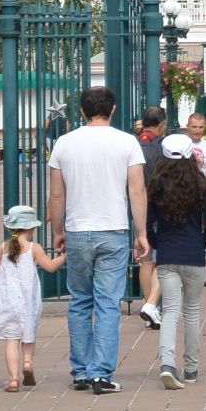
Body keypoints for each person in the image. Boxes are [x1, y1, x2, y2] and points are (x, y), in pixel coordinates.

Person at [47, 86, 148, 395]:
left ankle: (80, 370)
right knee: (107, 303)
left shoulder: (64, 144)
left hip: (78, 229)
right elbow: (136, 190)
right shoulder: (127, 143)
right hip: (113, 229)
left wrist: (58, 230)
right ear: (113, 110)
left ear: (81, 111)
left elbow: (57, 193)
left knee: (79, 300)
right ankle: (101, 373)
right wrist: (141, 232)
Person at [147, 133, 206, 389]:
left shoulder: (156, 184)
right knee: (191, 312)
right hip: (193, 253)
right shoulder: (199, 184)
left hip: (167, 253)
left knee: (169, 311)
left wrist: (158, 243)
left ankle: (167, 363)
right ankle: (191, 367)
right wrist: (203, 244)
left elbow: (148, 225)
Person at [0, 204, 63, 393]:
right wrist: (65, 257)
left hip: (8, 302)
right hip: (27, 301)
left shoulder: (2, 248)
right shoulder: (34, 248)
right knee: (28, 335)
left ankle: (12, 379)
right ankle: (27, 362)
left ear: (10, 228)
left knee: (12, 339)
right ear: (32, 228)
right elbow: (50, 267)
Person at [135, 105, 170, 332]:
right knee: (163, 259)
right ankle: (151, 304)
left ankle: (149, 307)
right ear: (160, 125)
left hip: (137, 208)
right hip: (158, 206)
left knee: (145, 259)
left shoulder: (134, 145)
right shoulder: (161, 148)